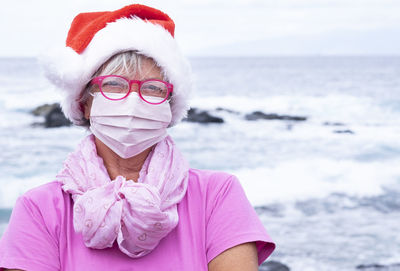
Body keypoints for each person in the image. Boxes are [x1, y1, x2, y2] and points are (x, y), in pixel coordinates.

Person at [0, 4, 275, 271]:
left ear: (170, 106)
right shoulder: (40, 209)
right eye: (114, 85)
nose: (132, 101)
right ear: (84, 103)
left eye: (153, 88)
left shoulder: (217, 195)